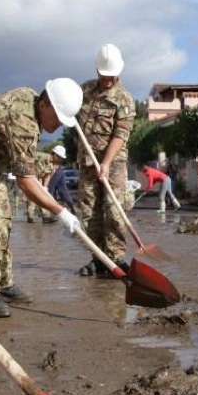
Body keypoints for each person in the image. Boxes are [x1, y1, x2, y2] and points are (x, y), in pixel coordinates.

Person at [0, 80, 84, 317]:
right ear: (44, 105)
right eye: (58, 118)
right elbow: (26, 182)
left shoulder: (31, 100)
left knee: (4, 220)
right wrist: (61, 211)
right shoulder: (23, 123)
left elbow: (23, 158)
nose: (59, 125)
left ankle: (4, 283)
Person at [76, 44, 135, 277]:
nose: (108, 80)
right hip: (87, 162)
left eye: (113, 76)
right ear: (97, 70)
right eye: (104, 75)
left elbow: (121, 134)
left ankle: (116, 258)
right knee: (90, 213)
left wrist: (107, 162)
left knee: (113, 211)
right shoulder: (84, 90)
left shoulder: (124, 99)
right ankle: (98, 258)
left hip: (114, 163)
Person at [44, 144, 75, 216]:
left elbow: (49, 174)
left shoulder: (52, 161)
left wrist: (45, 186)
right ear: (55, 154)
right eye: (60, 157)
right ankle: (71, 205)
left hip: (56, 172)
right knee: (62, 190)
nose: (61, 160)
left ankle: (47, 214)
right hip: (58, 171)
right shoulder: (48, 158)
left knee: (48, 191)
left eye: (61, 158)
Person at [24, 150, 53, 223]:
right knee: (32, 195)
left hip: (39, 177)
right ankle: (30, 216)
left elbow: (48, 176)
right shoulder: (39, 156)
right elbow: (28, 162)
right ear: (54, 155)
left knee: (43, 195)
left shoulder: (51, 164)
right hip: (31, 175)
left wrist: (45, 187)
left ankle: (45, 216)